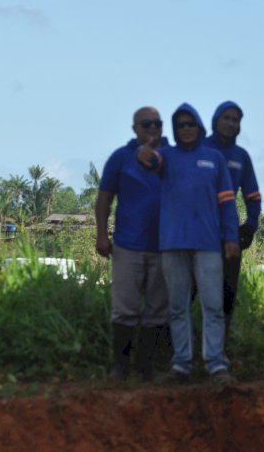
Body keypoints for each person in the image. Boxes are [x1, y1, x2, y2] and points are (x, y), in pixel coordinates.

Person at [138, 103, 240, 385]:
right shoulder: (166, 157)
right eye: (180, 125)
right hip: (173, 243)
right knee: (177, 307)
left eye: (190, 124)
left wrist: (231, 237)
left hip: (208, 243)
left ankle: (216, 365)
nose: (185, 129)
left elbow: (228, 202)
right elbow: (150, 160)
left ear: (199, 127)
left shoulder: (214, 158)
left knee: (213, 306)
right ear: (175, 128)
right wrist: (143, 152)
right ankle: (181, 365)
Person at [96, 106, 169, 382]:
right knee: (124, 309)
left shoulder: (171, 156)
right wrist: (102, 234)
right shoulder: (120, 157)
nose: (152, 128)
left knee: (157, 310)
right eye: (146, 123)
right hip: (127, 245)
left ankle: (147, 368)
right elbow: (104, 199)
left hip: (164, 246)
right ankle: (120, 368)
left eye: (157, 123)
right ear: (134, 128)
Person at [203, 101, 261, 340]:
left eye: (235, 119)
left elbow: (253, 195)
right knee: (191, 294)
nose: (230, 123)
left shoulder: (241, 156)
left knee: (227, 293)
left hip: (229, 235)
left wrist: (251, 225)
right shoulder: (200, 148)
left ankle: (220, 350)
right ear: (215, 120)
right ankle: (185, 351)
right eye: (226, 118)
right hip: (199, 233)